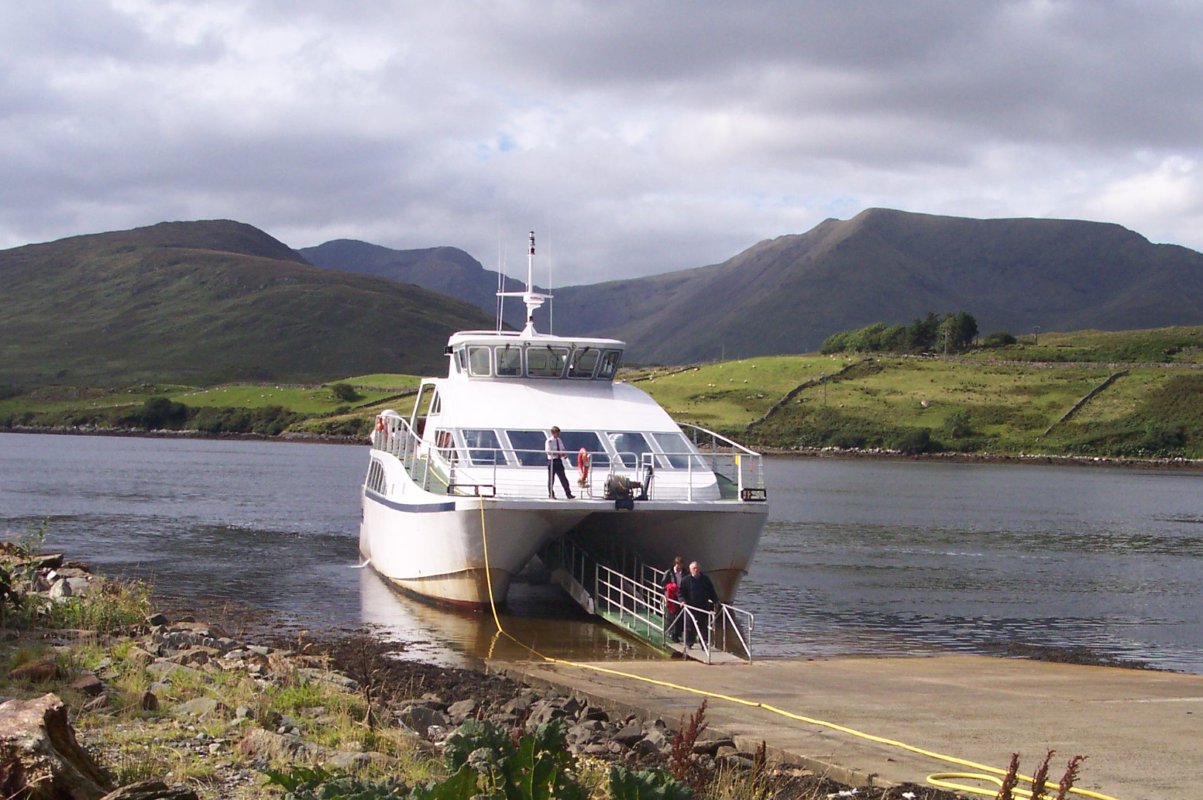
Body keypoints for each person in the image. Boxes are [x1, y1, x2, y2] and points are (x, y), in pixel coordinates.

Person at [678, 560, 719, 647]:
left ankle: (704, 643)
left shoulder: (705, 579)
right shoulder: (685, 580)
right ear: (690, 570)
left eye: (697, 568)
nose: (696, 570)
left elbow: (711, 591)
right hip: (690, 606)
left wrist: (716, 600)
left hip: (703, 606)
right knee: (690, 626)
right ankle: (689, 643)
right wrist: (682, 600)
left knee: (703, 626)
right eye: (694, 568)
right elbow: (680, 592)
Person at [545, 426, 574, 499]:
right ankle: (551, 494)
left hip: (558, 461)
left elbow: (562, 448)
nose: (558, 434)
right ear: (553, 433)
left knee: (563, 478)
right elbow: (548, 452)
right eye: (557, 433)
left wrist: (564, 453)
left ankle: (568, 494)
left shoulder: (559, 440)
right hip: (552, 461)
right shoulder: (549, 441)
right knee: (551, 479)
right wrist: (558, 454)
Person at [663, 555, 685, 642]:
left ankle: (677, 633)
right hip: (672, 596)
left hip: (680, 596)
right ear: (675, 564)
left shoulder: (684, 573)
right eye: (678, 564)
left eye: (681, 564)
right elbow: (663, 584)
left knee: (680, 615)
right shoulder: (669, 573)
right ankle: (669, 632)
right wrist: (670, 587)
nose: (680, 567)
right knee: (670, 614)